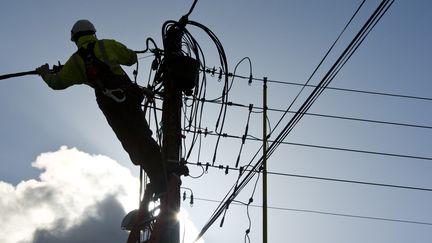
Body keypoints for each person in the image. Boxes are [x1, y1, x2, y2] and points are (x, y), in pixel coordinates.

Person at [36, 19, 166, 193]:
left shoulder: (74, 62)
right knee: (142, 134)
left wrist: (45, 73)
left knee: (131, 143)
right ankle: (164, 174)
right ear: (93, 33)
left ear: (75, 39)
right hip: (127, 97)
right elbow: (131, 58)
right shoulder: (106, 45)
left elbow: (57, 83)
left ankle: (159, 178)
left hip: (109, 105)